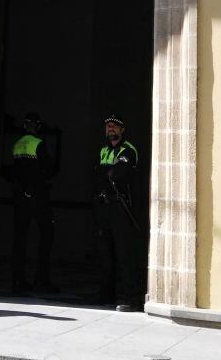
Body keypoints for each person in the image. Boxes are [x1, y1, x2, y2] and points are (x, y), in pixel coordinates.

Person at [94, 114, 143, 312]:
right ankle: (106, 294)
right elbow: (97, 175)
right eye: (108, 126)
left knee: (125, 254)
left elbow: (118, 174)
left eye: (115, 126)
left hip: (121, 206)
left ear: (122, 130)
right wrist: (106, 172)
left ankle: (132, 298)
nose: (111, 129)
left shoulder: (128, 150)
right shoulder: (104, 150)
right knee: (105, 253)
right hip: (104, 206)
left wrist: (105, 172)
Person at [9, 111, 58, 294]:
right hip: (38, 196)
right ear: (38, 126)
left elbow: (14, 171)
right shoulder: (38, 143)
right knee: (47, 234)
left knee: (20, 237)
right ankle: (41, 280)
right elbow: (49, 169)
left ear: (24, 126)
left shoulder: (17, 144)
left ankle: (17, 280)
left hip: (20, 197)